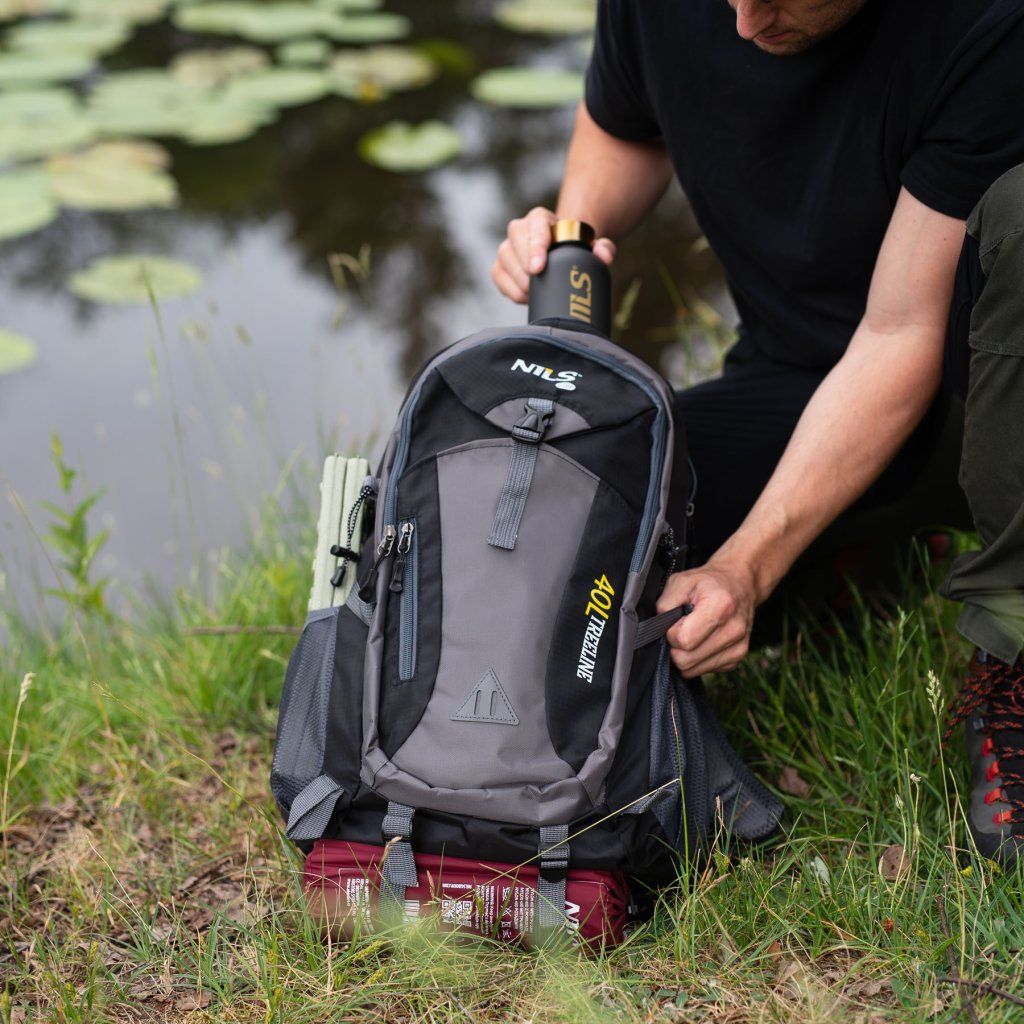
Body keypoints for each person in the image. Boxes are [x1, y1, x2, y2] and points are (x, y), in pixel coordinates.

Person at [491, 0, 1024, 863]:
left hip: (973, 386)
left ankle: (1012, 644)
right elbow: (626, 127)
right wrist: (571, 242)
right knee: (579, 555)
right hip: (791, 376)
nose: (742, 24)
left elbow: (900, 335)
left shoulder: (984, 23)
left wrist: (748, 565)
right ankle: (859, 554)